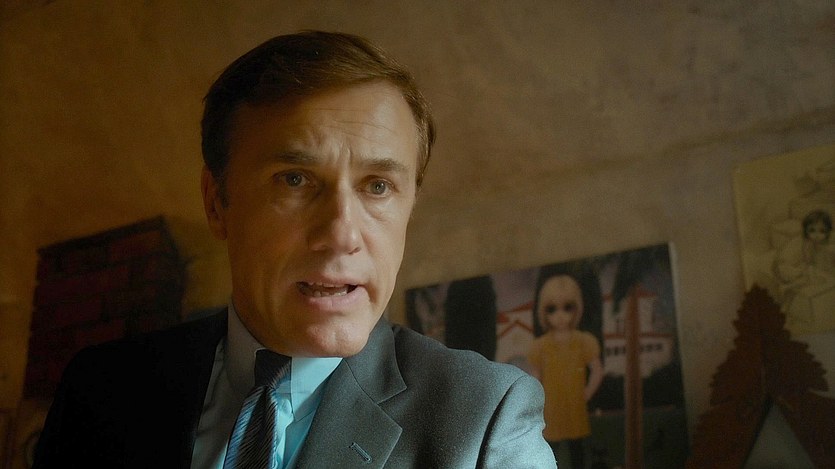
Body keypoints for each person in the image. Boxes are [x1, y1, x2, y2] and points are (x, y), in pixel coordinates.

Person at [33, 31, 556, 468]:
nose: (342, 234)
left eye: (378, 186)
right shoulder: (100, 391)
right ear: (217, 203)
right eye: (295, 180)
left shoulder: (486, 420)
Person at [528, 273, 604, 469]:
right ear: (544, 312)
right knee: (550, 453)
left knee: (577, 452)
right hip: (551, 409)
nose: (560, 315)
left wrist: (587, 393)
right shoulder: (540, 346)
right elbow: (535, 377)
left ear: (576, 309)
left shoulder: (583, 341)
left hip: (575, 407)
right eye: (552, 309)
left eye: (567, 307)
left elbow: (597, 370)